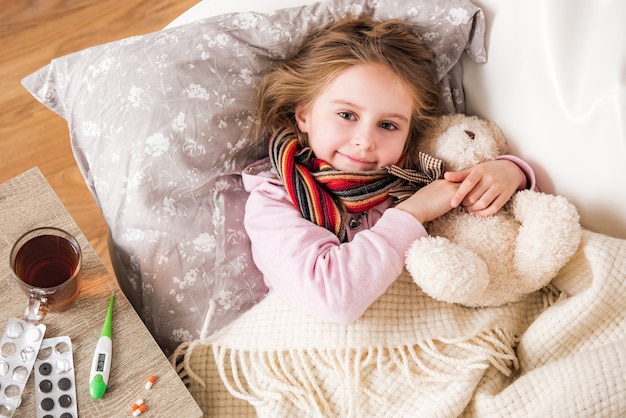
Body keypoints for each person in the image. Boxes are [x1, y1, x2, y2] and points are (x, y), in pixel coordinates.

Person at [242, 16, 535, 323]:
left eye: (387, 125)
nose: (365, 141)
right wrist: (411, 213)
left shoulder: (415, 173)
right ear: (304, 114)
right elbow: (333, 298)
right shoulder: (274, 202)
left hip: (448, 323)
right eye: (346, 114)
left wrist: (512, 173)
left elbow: (502, 234)